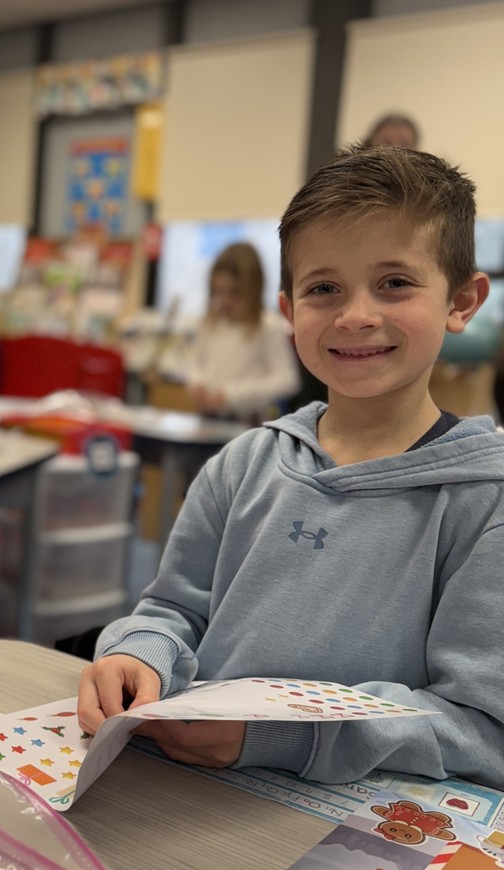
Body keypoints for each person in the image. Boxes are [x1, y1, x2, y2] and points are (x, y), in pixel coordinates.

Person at [77, 145, 504, 789]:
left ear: (462, 301)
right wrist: (138, 653)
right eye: (324, 288)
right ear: (288, 311)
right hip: (189, 795)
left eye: (395, 282)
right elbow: (172, 610)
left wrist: (286, 736)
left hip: (358, 835)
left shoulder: (483, 500)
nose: (356, 314)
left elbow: (481, 729)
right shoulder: (243, 464)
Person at [185, 241, 300, 423]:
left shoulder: (269, 326)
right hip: (207, 418)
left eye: (234, 293)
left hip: (247, 423)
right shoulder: (209, 323)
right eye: (218, 292)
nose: (224, 301)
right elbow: (195, 363)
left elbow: (287, 381)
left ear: (252, 290)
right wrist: (197, 382)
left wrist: (231, 395)